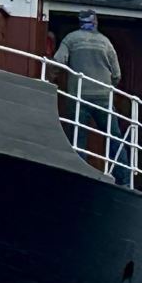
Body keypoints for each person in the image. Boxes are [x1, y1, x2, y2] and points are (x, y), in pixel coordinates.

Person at [54, 10, 123, 176]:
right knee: (114, 138)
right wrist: (107, 85)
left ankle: (81, 174)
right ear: (96, 22)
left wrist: (54, 75)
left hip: (78, 96)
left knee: (78, 138)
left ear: (80, 22)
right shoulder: (106, 42)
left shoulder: (70, 39)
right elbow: (117, 75)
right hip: (103, 96)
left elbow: (58, 60)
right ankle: (124, 177)